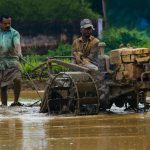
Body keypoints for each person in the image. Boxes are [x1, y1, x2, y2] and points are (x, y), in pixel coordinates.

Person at [0, 15, 23, 106]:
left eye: (9, 23)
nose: (7, 25)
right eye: (5, 23)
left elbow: (17, 44)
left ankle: (16, 101)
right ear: (0, 23)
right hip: (1, 61)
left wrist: (19, 53)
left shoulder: (14, 33)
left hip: (12, 60)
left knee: (17, 79)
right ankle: (4, 105)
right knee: (2, 85)